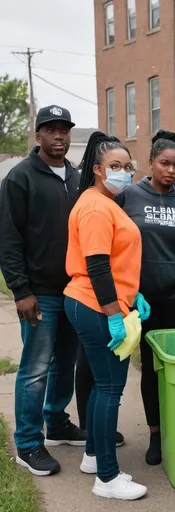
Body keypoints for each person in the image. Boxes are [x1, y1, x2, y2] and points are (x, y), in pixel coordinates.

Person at [74, 130, 175, 467]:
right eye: (164, 163)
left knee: (173, 368)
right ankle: (155, 435)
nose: (170, 170)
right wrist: (133, 292)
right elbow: (110, 249)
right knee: (145, 370)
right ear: (151, 164)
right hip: (138, 300)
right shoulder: (127, 195)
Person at [0, 105, 85, 476]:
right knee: (36, 368)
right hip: (40, 292)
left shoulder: (78, 177)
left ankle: (57, 423)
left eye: (64, 129)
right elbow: (8, 238)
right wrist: (20, 289)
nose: (59, 136)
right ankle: (28, 442)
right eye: (51, 129)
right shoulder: (20, 178)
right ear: (38, 136)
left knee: (66, 361)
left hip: (75, 290)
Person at [64, 131, 148, 500]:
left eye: (128, 167)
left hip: (100, 301)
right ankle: (108, 479)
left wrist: (134, 292)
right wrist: (115, 314)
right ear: (97, 169)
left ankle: (94, 457)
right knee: (111, 389)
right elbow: (97, 266)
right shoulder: (97, 206)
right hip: (96, 304)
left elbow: (115, 259)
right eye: (115, 166)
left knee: (102, 386)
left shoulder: (103, 200)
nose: (123, 172)